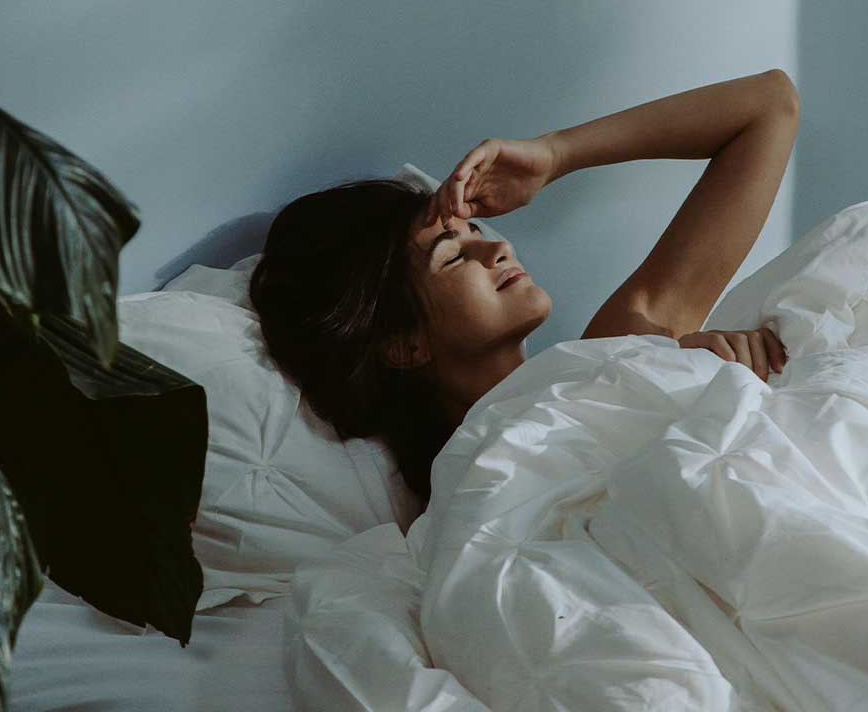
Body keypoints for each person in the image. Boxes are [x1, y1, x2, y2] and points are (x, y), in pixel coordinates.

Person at [250, 70, 798, 511]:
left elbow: (770, 104)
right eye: (453, 257)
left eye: (474, 231)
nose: (496, 248)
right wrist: (686, 412)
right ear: (404, 345)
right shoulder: (471, 489)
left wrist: (556, 155)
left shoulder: (620, 350)